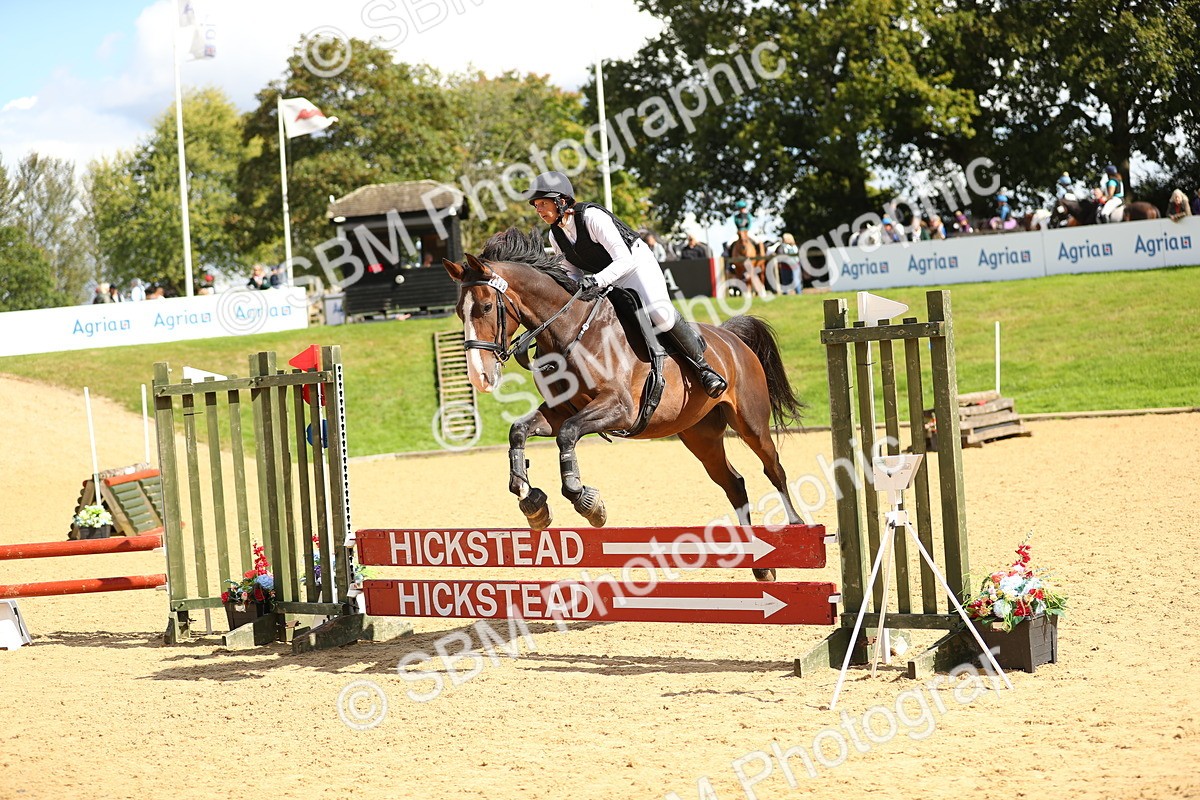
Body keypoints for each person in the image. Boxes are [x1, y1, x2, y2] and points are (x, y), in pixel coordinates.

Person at [525, 170, 727, 398]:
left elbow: (624, 259)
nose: (538, 210)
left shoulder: (591, 217)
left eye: (543, 203)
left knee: (660, 314)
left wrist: (597, 280)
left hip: (635, 266)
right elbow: (571, 273)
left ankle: (704, 368)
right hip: (606, 277)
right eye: (536, 205)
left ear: (561, 201)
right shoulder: (555, 235)